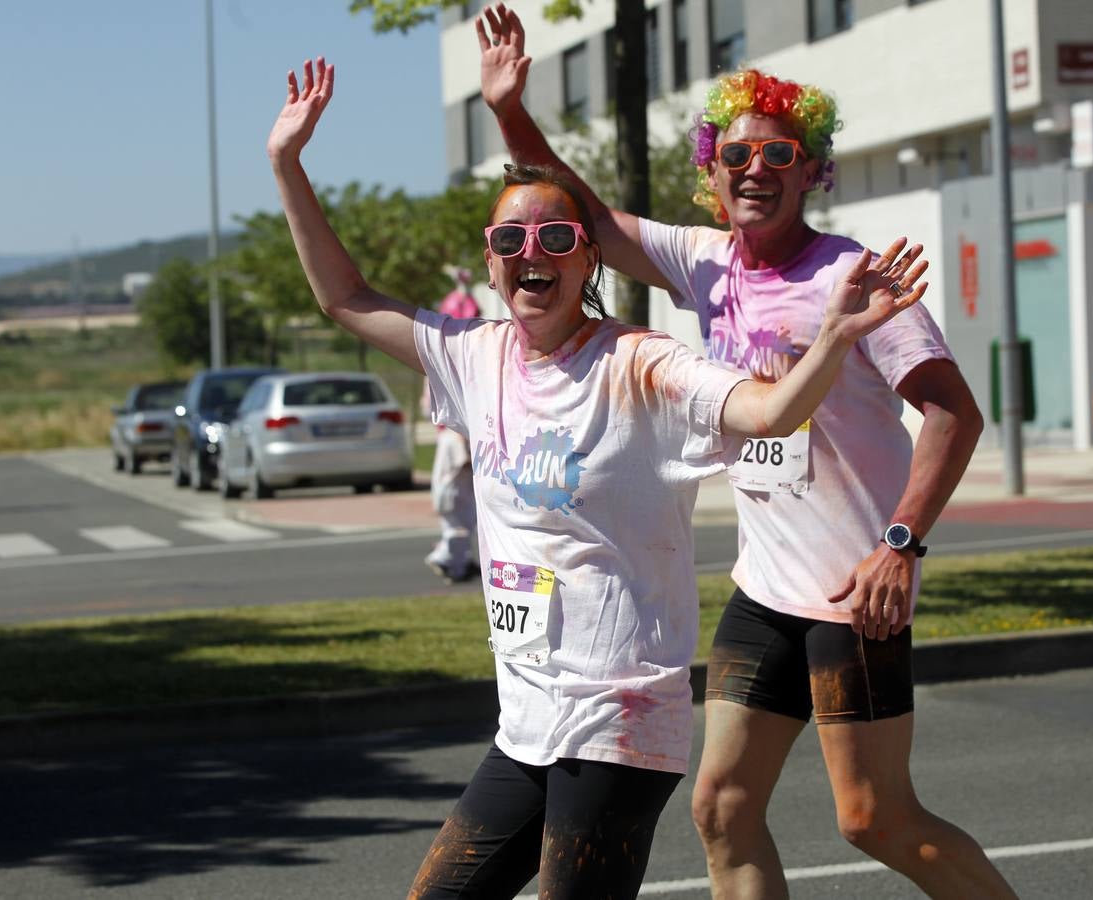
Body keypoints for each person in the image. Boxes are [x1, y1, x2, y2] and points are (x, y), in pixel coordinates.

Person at [267, 55, 930, 900]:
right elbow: (345, 297)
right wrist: (288, 163)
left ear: (589, 261)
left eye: (554, 239)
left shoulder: (642, 366)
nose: (529, 254)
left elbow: (769, 413)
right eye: (509, 240)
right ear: (490, 259)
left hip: (617, 723)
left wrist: (835, 337)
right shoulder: (473, 358)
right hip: (527, 727)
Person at [476, 6, 1016, 899]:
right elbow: (586, 214)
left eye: (779, 154)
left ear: (813, 169)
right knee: (721, 806)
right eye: (736, 155)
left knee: (873, 816)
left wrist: (901, 544)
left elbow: (953, 414)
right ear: (712, 173)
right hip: (764, 593)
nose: (756, 170)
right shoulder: (705, 263)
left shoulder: (856, 278)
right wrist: (508, 109)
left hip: (856, 596)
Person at [424, 268, 481, 583]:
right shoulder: (450, 364)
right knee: (457, 514)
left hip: (454, 447)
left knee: (458, 515)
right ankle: (448, 559)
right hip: (454, 450)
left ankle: (455, 563)